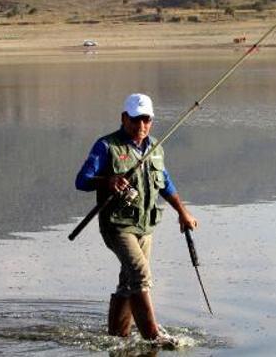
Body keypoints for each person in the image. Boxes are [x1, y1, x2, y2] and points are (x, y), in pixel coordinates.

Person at [75, 93, 198, 343]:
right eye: (135, 120)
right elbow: (81, 181)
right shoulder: (106, 146)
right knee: (141, 276)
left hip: (145, 226)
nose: (141, 126)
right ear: (124, 118)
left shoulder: (155, 147)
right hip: (117, 227)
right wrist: (107, 181)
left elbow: (165, 183)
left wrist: (183, 212)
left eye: (146, 120)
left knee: (128, 282)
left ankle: (116, 337)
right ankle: (153, 337)